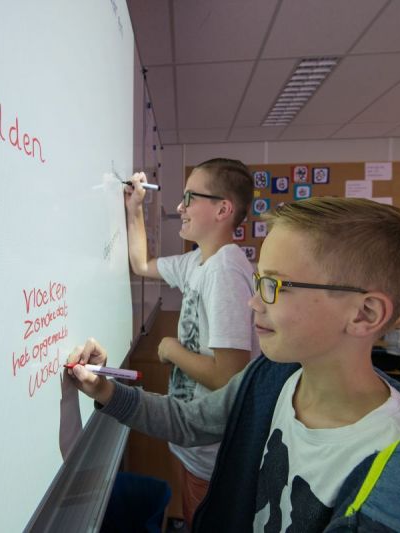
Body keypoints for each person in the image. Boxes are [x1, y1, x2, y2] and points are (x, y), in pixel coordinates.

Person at [68, 198, 400, 532]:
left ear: (365, 315)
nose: (253, 300)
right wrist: (106, 389)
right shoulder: (272, 378)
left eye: (275, 285)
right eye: (260, 280)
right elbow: (190, 422)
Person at [124, 158, 260, 526]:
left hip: (212, 451)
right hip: (194, 441)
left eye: (190, 198)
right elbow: (141, 264)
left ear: (222, 209)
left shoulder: (226, 273)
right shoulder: (198, 261)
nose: (180, 207)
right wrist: (135, 209)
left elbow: (230, 376)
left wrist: (172, 350)